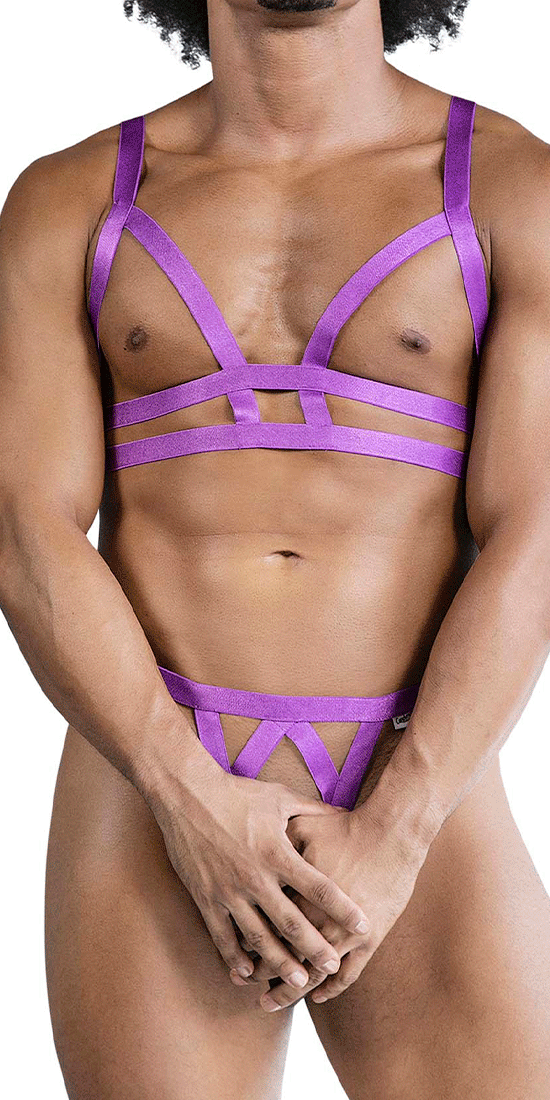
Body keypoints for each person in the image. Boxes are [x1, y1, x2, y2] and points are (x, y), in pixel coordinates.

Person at [1, 0, 550, 1096]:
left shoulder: (510, 189)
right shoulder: (70, 198)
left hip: (419, 777)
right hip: (148, 776)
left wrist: (397, 832)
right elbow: (27, 526)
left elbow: (535, 530)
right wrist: (183, 795)